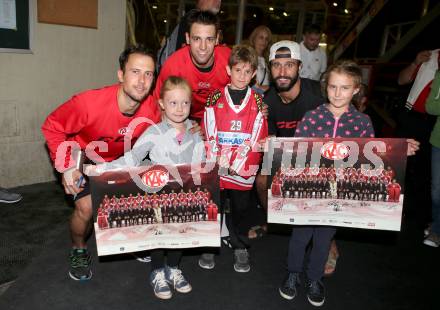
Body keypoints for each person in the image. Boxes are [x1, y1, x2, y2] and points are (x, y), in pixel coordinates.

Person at [279, 60, 418, 307]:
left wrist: (397, 150)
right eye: (333, 87)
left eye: (344, 88)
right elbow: (295, 150)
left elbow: (370, 156)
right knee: (300, 235)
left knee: (323, 239)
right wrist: (271, 146)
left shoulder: (362, 122)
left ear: (356, 89)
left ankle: (314, 278)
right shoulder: (312, 117)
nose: (337, 93)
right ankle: (292, 273)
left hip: (338, 195)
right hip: (310, 190)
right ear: (326, 87)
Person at [41, 45, 162, 281]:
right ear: (121, 75)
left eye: (148, 74)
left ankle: (133, 240)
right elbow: (51, 126)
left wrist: (190, 129)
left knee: (149, 188)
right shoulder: (88, 103)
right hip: (84, 159)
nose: (141, 81)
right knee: (86, 208)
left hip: (119, 161)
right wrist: (66, 166)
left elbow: (167, 130)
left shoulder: (152, 110)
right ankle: (78, 249)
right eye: (135, 72)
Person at [91, 76, 204, 299]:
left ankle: (173, 268)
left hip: (184, 197)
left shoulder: (194, 130)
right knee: (159, 236)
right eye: (173, 103)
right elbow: (132, 158)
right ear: (161, 103)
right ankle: (157, 271)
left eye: (185, 103)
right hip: (158, 196)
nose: (180, 108)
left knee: (179, 235)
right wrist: (103, 168)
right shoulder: (154, 132)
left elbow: (203, 161)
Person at [201, 44, 268, 272]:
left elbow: (259, 135)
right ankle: (210, 245)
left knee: (241, 209)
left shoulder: (257, 102)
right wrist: (218, 159)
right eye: (237, 70)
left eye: (247, 71)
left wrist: (238, 163)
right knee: (214, 206)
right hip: (218, 165)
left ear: (254, 74)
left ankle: (240, 245)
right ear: (228, 70)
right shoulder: (215, 97)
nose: (242, 76)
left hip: (243, 168)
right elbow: (209, 131)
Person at [154, 9, 230, 122]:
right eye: (197, 39)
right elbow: (158, 105)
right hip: (183, 116)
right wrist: (181, 126)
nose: (203, 47)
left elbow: (243, 94)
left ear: (217, 39)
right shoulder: (174, 65)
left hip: (220, 117)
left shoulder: (229, 60)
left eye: (209, 39)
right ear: (188, 38)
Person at [156, 0, 222, 72]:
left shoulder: (213, 23)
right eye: (197, 39)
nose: (218, 1)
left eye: (209, 39)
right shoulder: (190, 22)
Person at [424, 69, 440, 247]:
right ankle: (437, 224)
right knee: (437, 191)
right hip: (439, 140)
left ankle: (436, 230)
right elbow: (430, 106)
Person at [248, 25, 272, 94]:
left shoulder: (268, 60)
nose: (264, 41)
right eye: (261, 37)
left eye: (266, 39)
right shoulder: (248, 57)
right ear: (254, 39)